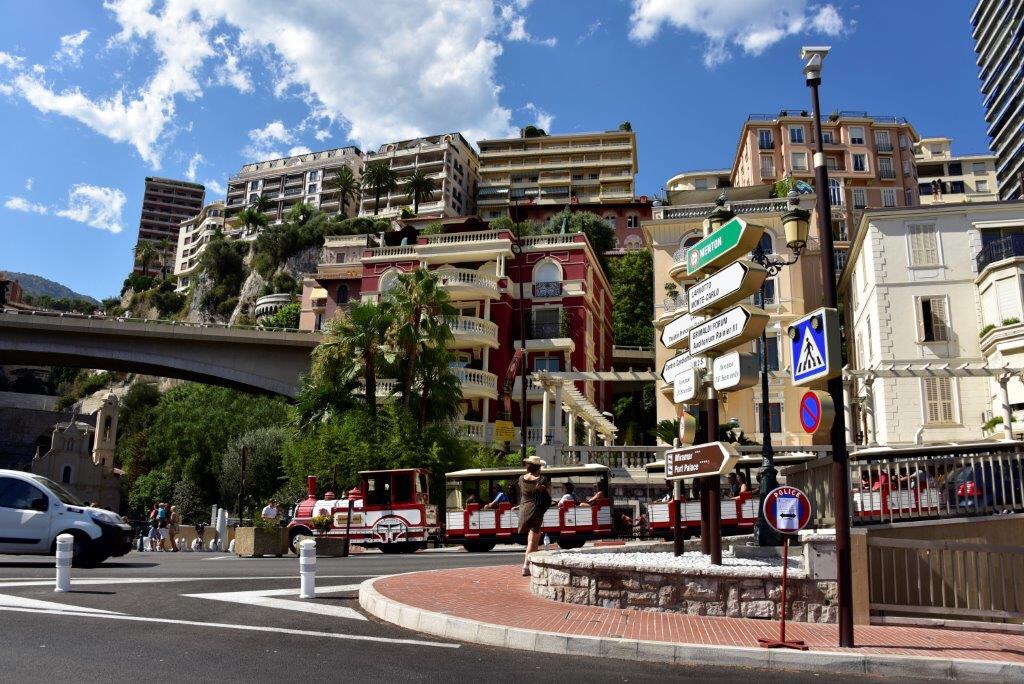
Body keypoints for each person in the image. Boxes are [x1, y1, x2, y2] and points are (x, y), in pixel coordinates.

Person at [518, 456, 551, 576]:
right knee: (533, 539)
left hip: (523, 509)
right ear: (538, 467)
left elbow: (522, 493)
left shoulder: (521, 478)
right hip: (536, 509)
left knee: (531, 538)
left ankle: (533, 564)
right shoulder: (542, 479)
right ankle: (526, 566)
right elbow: (548, 494)